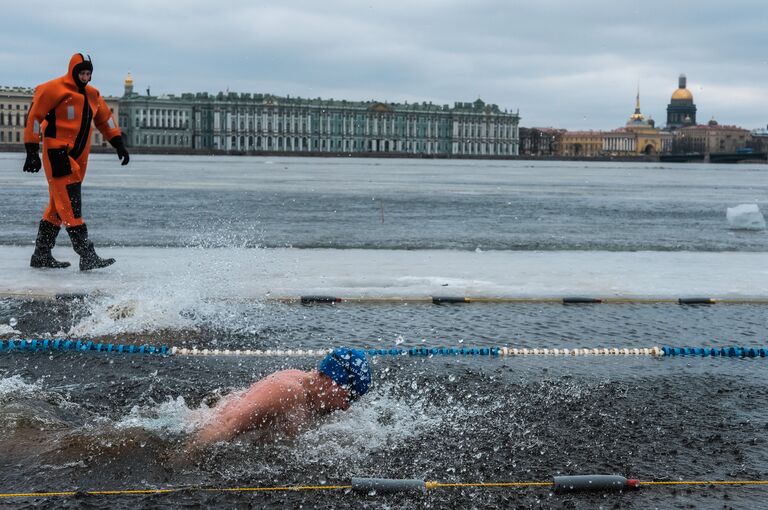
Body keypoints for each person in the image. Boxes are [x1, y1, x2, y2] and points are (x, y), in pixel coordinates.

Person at [23, 53, 129, 271]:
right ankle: (86, 254)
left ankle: (41, 254)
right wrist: (31, 150)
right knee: (71, 205)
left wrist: (118, 143)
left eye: (88, 73)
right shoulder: (54, 89)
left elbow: (106, 119)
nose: (85, 76)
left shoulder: (92, 95)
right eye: (82, 72)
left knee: (57, 207)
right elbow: (34, 117)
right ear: (73, 71)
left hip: (79, 157)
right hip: (57, 154)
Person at [190, 348, 372, 446]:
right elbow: (224, 425)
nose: (346, 407)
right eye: (349, 397)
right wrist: (179, 465)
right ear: (331, 380)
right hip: (194, 428)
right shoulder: (287, 391)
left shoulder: (312, 398)